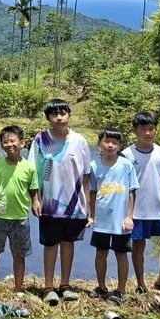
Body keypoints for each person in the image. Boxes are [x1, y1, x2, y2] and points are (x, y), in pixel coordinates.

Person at [29, 99, 92, 305]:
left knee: (68, 243)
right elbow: (33, 173)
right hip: (49, 203)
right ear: (48, 118)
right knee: (50, 245)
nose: (59, 117)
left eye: (63, 113)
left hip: (74, 205)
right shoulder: (40, 140)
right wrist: (35, 199)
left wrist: (88, 209)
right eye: (54, 114)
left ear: (69, 115)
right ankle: (48, 287)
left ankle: (65, 285)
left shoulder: (80, 141)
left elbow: (85, 176)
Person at [124, 111, 160, 297]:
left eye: (151, 129)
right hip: (137, 210)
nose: (148, 133)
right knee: (138, 247)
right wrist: (126, 212)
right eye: (143, 129)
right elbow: (122, 184)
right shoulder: (126, 154)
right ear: (135, 131)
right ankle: (141, 284)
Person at [0, 125, 38, 293]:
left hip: (20, 217)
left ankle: (18, 288)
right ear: (1, 145)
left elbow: (34, 190)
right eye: (5, 142)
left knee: (19, 255)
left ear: (22, 143)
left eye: (12, 141)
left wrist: (36, 202)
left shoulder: (29, 167)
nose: (9, 144)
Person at [87, 128, 139, 304]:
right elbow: (92, 192)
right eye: (106, 141)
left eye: (114, 142)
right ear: (99, 143)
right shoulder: (94, 166)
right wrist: (91, 215)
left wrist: (129, 216)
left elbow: (132, 192)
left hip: (121, 219)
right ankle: (101, 287)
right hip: (102, 218)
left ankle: (121, 289)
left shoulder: (126, 165)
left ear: (120, 146)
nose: (110, 145)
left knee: (121, 253)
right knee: (101, 252)